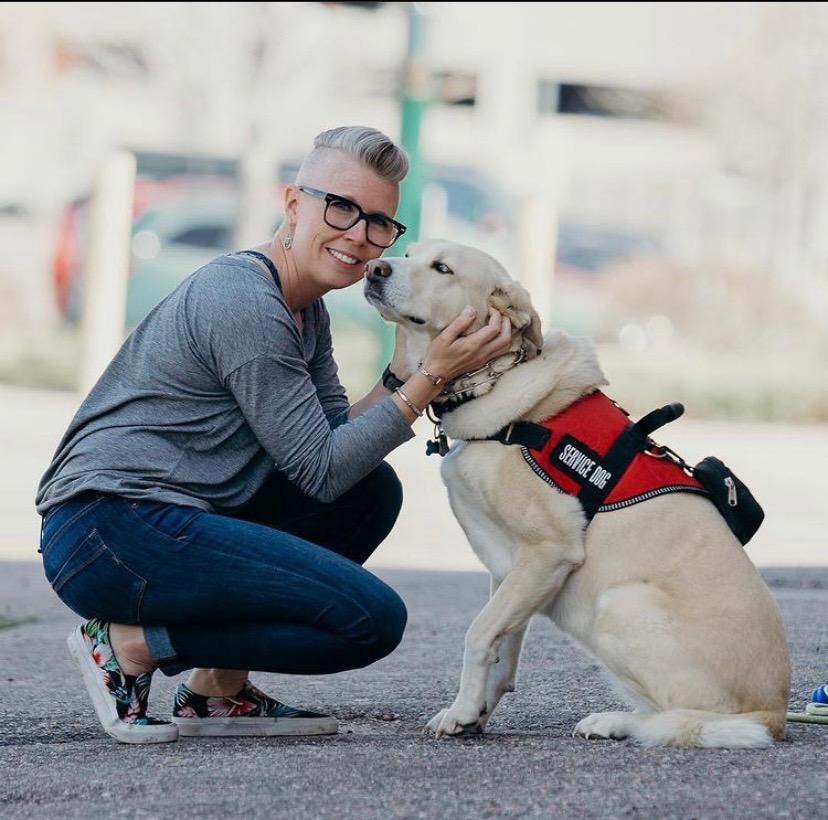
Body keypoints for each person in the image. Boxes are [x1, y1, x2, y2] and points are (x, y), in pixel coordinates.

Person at [35, 125, 513, 744]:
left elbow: (337, 440)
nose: (358, 237)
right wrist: (428, 379)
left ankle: (216, 692)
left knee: (370, 492)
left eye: (378, 222)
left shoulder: (303, 307)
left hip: (172, 516)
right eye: (339, 208)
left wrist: (403, 372)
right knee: (369, 620)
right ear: (293, 203)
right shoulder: (246, 301)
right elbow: (320, 469)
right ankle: (126, 644)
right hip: (111, 529)